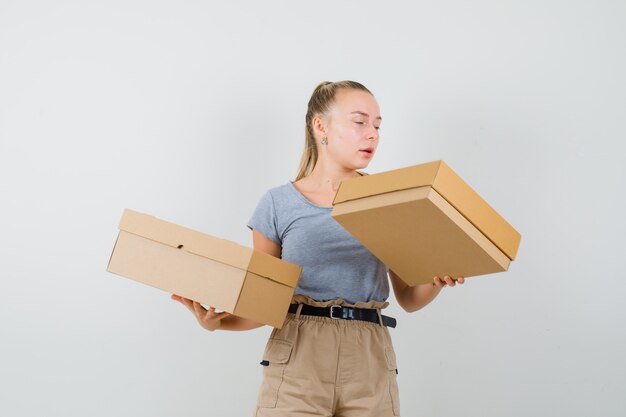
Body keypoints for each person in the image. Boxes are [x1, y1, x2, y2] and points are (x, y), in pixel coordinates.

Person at [171, 80, 465, 417]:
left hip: (369, 359)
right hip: (297, 359)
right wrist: (217, 323)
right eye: (360, 122)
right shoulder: (277, 204)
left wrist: (437, 279)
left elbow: (410, 299)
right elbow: (265, 303)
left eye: (377, 125)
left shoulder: (390, 200)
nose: (372, 134)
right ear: (320, 126)